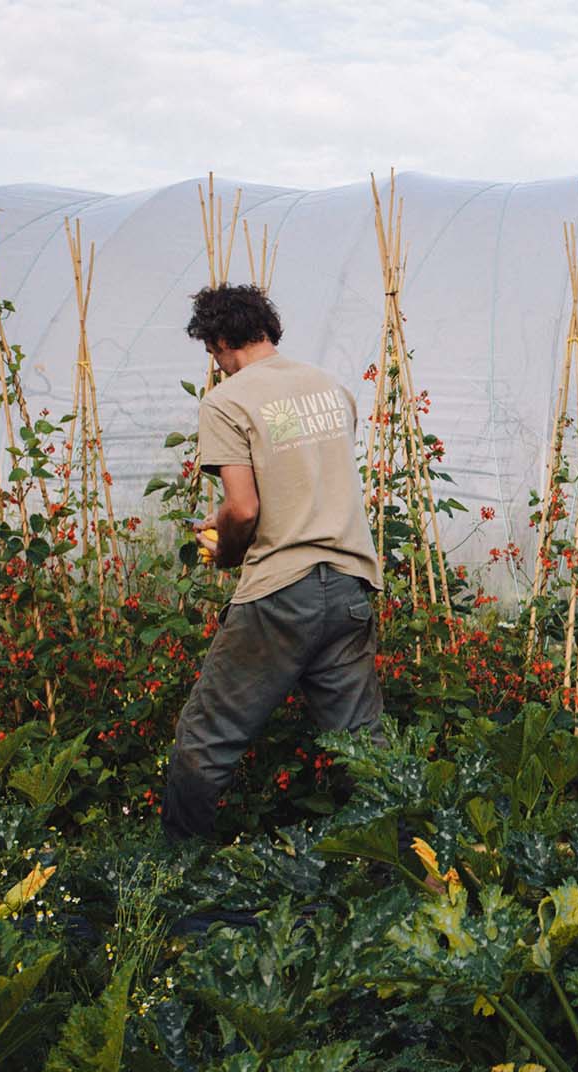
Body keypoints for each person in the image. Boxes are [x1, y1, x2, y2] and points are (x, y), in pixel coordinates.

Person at [161, 283, 384, 841]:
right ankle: (404, 871)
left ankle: (180, 877)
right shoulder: (331, 390)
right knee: (364, 751)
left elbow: (244, 507)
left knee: (205, 740)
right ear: (268, 330)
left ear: (217, 343)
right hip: (351, 584)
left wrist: (225, 545)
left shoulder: (227, 402)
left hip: (283, 591)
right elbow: (306, 482)